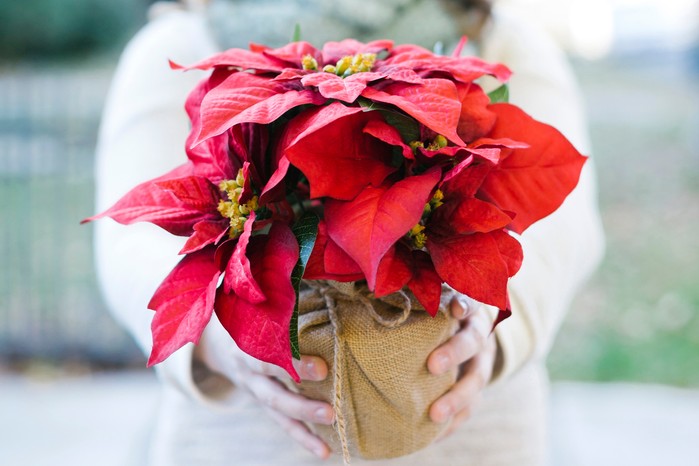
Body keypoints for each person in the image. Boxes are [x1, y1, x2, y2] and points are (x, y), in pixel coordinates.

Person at [93, 0, 604, 464]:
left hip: (472, 434)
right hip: (241, 439)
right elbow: (129, 244)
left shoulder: (505, 40)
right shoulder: (182, 42)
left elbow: (568, 228)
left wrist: (490, 327)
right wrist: (217, 343)